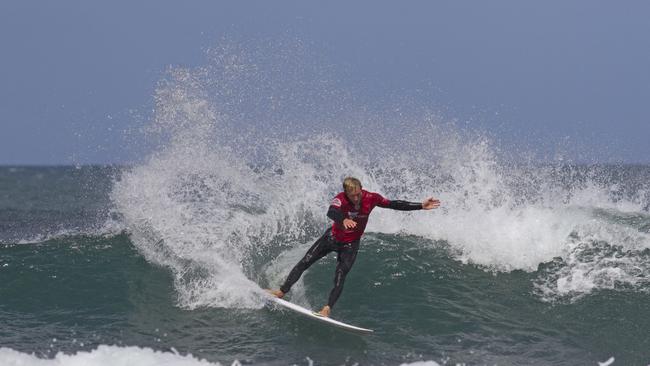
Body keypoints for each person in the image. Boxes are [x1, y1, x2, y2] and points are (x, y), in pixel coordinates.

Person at [268, 177, 440, 317]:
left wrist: (420, 205)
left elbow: (394, 204)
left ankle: (327, 308)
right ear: (346, 193)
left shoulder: (371, 198)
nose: (356, 198)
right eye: (353, 196)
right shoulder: (340, 199)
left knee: (341, 275)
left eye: (358, 194)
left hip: (350, 244)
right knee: (305, 262)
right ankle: (282, 292)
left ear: (361, 190)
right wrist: (342, 219)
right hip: (332, 237)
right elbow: (331, 212)